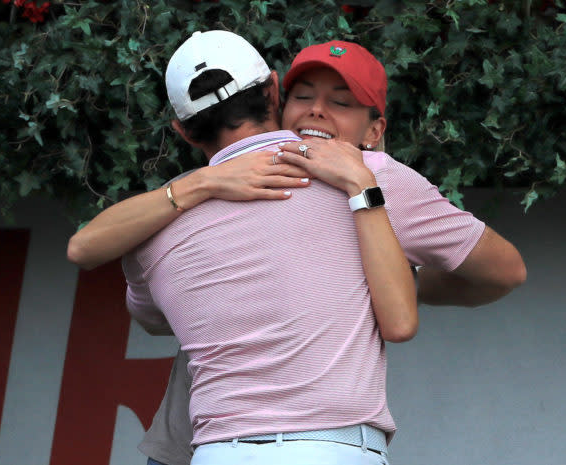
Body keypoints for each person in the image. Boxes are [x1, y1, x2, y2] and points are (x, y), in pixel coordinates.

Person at [68, 33, 526, 465]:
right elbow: (503, 272)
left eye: (341, 103)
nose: (318, 113)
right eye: (304, 97)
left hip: (213, 452)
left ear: (183, 131)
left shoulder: (149, 224)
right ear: (274, 93)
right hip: (332, 449)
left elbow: (149, 316)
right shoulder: (375, 176)